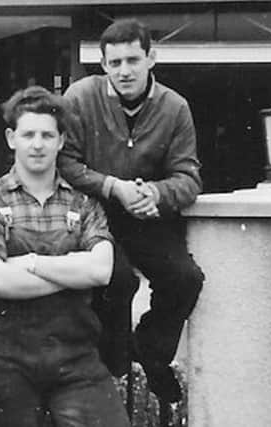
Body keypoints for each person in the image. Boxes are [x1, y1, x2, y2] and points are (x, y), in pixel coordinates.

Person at [0, 86, 131, 427]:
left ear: (61, 140)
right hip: (4, 360)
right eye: (28, 134)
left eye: (46, 135)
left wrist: (31, 264)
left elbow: (101, 270)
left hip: (75, 358)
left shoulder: (83, 203)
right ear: (12, 138)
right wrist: (71, 273)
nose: (37, 144)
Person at [58, 18, 205, 403]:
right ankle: (115, 367)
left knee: (184, 278)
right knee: (117, 279)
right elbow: (66, 163)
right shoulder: (79, 97)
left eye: (133, 60)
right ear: (103, 63)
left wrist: (155, 193)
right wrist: (112, 187)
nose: (124, 71)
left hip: (145, 216)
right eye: (115, 62)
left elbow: (189, 177)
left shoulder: (175, 108)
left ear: (151, 58)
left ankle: (151, 353)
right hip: (94, 214)